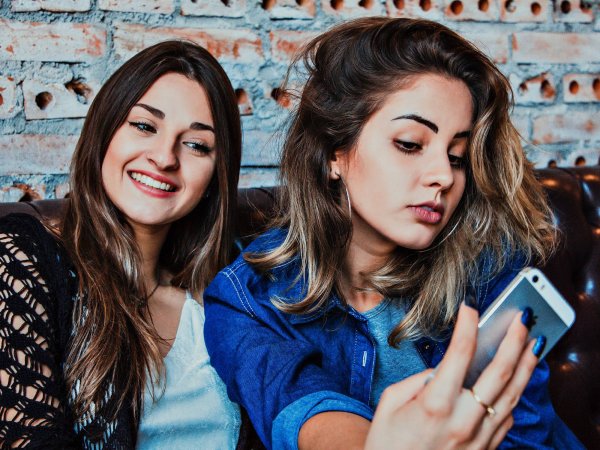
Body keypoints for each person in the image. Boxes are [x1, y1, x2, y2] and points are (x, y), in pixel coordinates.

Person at [203, 18, 585, 449]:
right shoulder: (246, 296)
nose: (443, 175)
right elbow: (303, 408)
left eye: (457, 156)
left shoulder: (490, 270)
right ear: (334, 153)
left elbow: (526, 434)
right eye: (410, 143)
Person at [0, 40, 252, 449]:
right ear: (104, 132)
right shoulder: (23, 262)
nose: (165, 158)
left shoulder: (235, 289)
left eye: (196, 145)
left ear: (214, 177)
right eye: (145, 126)